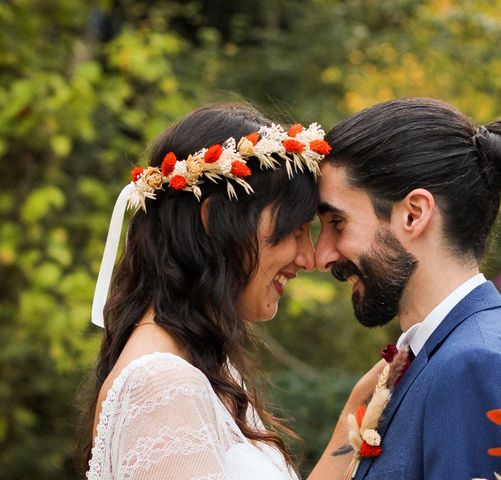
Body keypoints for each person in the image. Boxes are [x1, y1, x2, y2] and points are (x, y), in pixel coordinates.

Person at [79, 104, 379, 480]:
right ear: (214, 218)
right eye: (294, 229)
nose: (309, 258)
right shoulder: (162, 385)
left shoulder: (201, 369)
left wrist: (358, 413)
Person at [313, 97, 501, 479]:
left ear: (414, 214)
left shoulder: (474, 366)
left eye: (337, 222)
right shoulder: (438, 355)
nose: (321, 256)